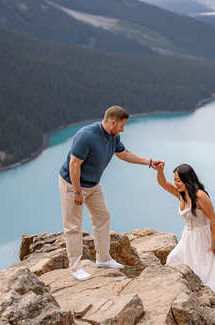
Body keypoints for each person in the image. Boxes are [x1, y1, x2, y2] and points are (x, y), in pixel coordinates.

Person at [59, 105, 163, 281]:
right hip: (73, 185)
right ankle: (76, 268)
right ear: (113, 122)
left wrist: (149, 162)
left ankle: (103, 258)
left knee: (103, 216)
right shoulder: (87, 136)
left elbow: (125, 155)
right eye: (122, 125)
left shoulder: (113, 136)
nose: (123, 129)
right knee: (73, 226)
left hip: (94, 185)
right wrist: (77, 192)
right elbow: (74, 165)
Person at [156, 163, 215, 314]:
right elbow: (162, 183)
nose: (176, 183)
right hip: (188, 238)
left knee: (213, 273)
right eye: (175, 180)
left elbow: (212, 218)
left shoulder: (200, 196)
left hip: (204, 237)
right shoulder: (181, 193)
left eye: (178, 180)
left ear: (187, 179)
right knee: (173, 259)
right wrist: (160, 170)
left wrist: (213, 242)